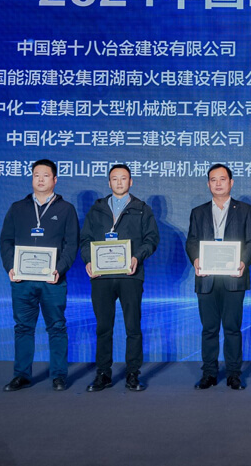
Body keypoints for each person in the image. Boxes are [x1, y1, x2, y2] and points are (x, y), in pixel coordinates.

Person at [0, 159, 79, 392]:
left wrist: (59, 269)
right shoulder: (17, 208)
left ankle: (59, 376)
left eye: (45, 175)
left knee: (57, 326)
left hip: (53, 281)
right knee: (23, 327)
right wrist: (10, 267)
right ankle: (21, 375)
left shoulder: (66, 209)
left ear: (55, 179)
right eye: (36, 175)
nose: (40, 179)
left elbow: (72, 244)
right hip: (22, 280)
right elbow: (6, 241)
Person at [80, 164, 159, 392]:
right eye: (114, 178)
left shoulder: (142, 209)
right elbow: (85, 239)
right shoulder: (97, 209)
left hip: (130, 275)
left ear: (131, 181)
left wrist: (137, 257)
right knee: (103, 327)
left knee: (133, 327)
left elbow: (152, 239)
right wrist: (88, 260)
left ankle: (133, 374)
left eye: (123, 178)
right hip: (102, 276)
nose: (119, 182)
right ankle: (103, 374)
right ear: (109, 182)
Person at [185, 164, 251, 390]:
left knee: (232, 329)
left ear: (231, 182)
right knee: (209, 329)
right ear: (208, 183)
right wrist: (196, 259)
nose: (218, 183)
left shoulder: (245, 210)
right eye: (213, 179)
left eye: (222, 179)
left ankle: (234, 374)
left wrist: (243, 261)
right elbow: (192, 241)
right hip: (206, 278)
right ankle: (209, 373)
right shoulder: (198, 212)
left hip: (233, 278)